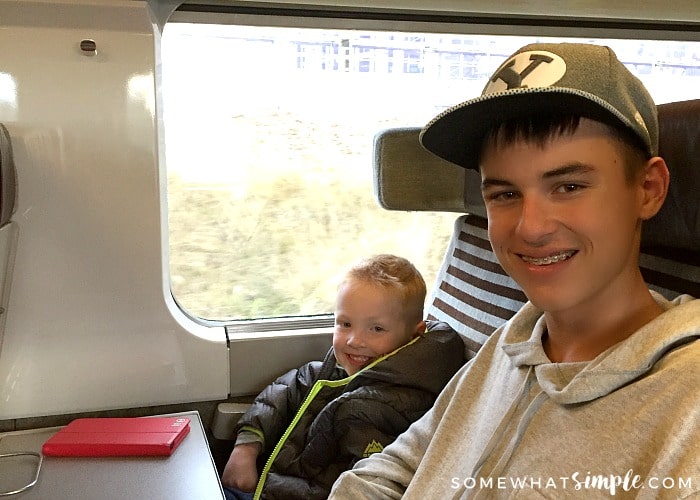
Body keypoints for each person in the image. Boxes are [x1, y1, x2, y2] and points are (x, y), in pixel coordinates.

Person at [329, 43, 700, 498]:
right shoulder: (515, 340)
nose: (531, 228)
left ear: (647, 189)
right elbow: (402, 463)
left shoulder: (687, 401)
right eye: (505, 194)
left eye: (568, 186)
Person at [221, 254, 465, 499]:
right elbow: (281, 394)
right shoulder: (334, 371)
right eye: (345, 323)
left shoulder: (389, 408)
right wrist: (247, 446)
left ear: (414, 335)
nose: (354, 341)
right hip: (268, 484)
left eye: (377, 329)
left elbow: (365, 484)